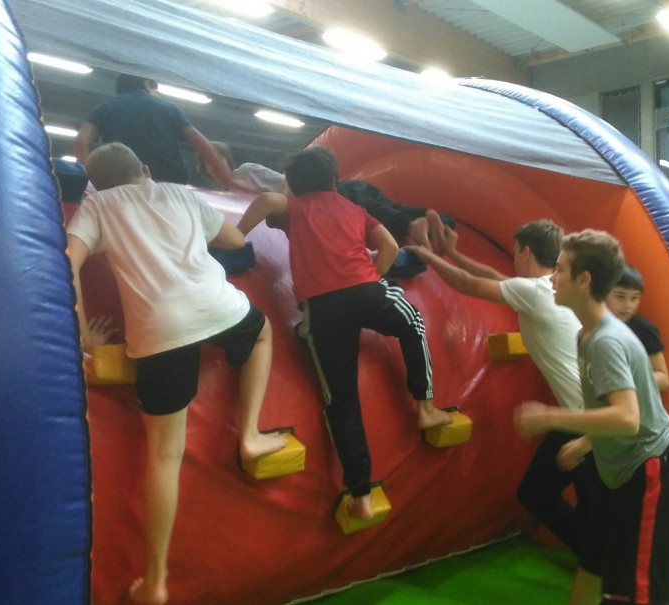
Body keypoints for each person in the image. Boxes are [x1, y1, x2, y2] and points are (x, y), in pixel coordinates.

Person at [66, 143, 287, 605]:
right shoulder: (180, 193)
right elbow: (234, 240)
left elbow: (68, 260)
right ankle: (249, 434)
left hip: (159, 330)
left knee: (164, 456)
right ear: (145, 169)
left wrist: (84, 333)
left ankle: (156, 582)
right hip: (219, 308)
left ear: (97, 185)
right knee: (262, 333)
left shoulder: (98, 206)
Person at [237, 146, 452, 521]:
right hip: (367, 292)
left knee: (341, 400)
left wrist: (237, 234)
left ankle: (361, 494)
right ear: (335, 181)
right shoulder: (355, 209)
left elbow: (269, 201)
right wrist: (375, 274)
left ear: (293, 185)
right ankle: (426, 408)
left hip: (324, 310)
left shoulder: (294, 207)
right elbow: (389, 245)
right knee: (413, 323)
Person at [406, 220, 602, 563]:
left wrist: (428, 256)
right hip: (578, 416)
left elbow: (469, 284)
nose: (513, 259)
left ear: (525, 251)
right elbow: (493, 277)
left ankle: (600, 563)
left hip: (590, 424)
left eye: (515, 252)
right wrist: (452, 253)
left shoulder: (537, 292)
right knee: (549, 495)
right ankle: (596, 559)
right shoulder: (550, 287)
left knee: (553, 496)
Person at [515, 229, 669, 605]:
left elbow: (627, 417)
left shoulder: (607, 341)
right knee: (591, 566)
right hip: (614, 470)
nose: (551, 278)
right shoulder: (586, 336)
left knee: (638, 590)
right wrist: (585, 442)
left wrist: (550, 417)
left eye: (559, 269)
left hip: (646, 469)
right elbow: (606, 408)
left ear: (584, 280)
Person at [202, 149, 447, 254]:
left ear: (227, 157)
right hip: (332, 189)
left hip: (323, 193)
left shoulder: (246, 171)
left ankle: (414, 225)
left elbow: (282, 183)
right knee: (381, 206)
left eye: (216, 159)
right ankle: (433, 219)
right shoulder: (222, 193)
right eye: (207, 165)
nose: (214, 166)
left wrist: (293, 200)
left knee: (371, 209)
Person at [73, 73, 238, 190]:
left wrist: (90, 177)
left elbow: (81, 140)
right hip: (170, 183)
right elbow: (202, 144)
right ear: (147, 84)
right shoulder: (167, 107)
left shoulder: (105, 108)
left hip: (124, 183)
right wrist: (228, 180)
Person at [605, 264, 669, 392]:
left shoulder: (643, 329)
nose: (628, 305)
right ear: (604, 293)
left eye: (634, 298)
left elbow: (663, 379)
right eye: (620, 296)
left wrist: (624, 383)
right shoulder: (594, 326)